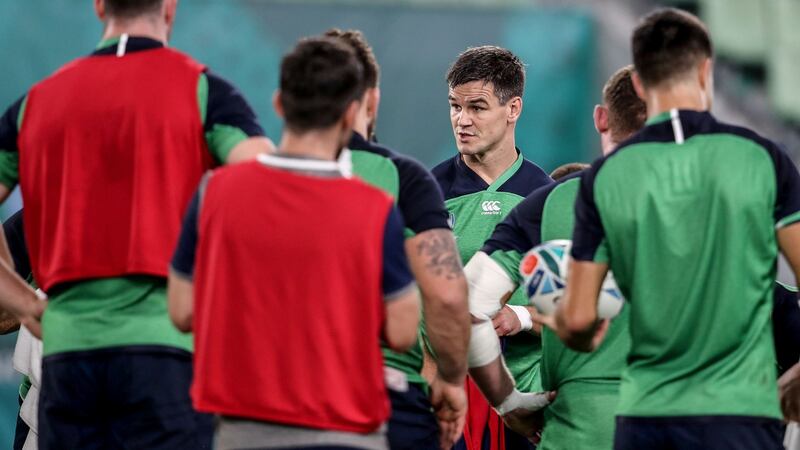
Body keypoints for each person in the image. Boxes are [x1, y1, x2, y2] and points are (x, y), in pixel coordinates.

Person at [0, 0, 272, 448]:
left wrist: (28, 305)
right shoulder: (204, 92)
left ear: (100, 6)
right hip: (164, 353)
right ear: (170, 8)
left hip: (70, 353)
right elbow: (266, 184)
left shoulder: (41, 99)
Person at [544, 8, 800, 449]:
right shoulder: (763, 159)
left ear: (640, 83)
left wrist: (572, 325)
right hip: (741, 416)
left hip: (647, 417)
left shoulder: (607, 177)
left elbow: (581, 318)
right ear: (706, 71)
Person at [167, 36, 420, 450]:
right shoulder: (375, 208)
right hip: (348, 433)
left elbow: (181, 311)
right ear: (351, 112)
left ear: (279, 103)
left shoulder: (215, 191)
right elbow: (404, 330)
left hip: (241, 433)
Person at [476, 66, 646, 450]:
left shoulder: (550, 204)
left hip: (579, 423)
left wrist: (507, 403)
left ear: (601, 118)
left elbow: (470, 306)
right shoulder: (728, 197)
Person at [325, 29, 470, 450]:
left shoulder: (247, 181)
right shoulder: (402, 177)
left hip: (273, 402)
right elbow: (445, 297)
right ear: (372, 100)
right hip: (385, 397)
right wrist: (451, 380)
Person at [431, 45, 553, 450]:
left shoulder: (546, 198)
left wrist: (518, 316)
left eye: (477, 107)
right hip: (449, 404)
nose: (462, 121)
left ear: (512, 108)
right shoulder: (427, 194)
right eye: (454, 106)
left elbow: (575, 313)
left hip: (528, 404)